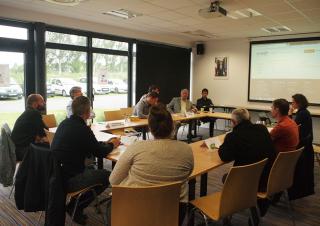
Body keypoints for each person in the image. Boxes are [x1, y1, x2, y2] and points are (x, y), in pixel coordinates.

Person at [109, 104, 194, 225]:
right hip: (173, 212)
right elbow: (189, 173)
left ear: (149, 128)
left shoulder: (136, 147)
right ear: (172, 126)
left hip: (136, 212)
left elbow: (113, 181)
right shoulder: (186, 149)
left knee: (111, 207)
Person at [51, 96, 120, 225]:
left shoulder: (64, 123)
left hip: (56, 175)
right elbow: (99, 152)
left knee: (93, 170)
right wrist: (113, 145)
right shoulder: (82, 129)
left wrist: (103, 144)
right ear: (88, 112)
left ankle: (75, 205)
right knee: (108, 176)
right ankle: (74, 207)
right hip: (70, 179)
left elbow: (88, 145)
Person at [218, 108, 276, 225]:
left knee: (226, 178)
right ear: (249, 118)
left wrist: (227, 139)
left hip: (246, 183)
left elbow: (224, 156)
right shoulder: (262, 129)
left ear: (234, 123)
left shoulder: (234, 136)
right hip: (267, 178)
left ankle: (236, 205)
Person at [287, 94, 314, 200]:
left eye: (293, 102)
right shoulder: (304, 112)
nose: (292, 104)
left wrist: (289, 114)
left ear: (298, 103)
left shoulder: (302, 113)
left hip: (302, 145)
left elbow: (292, 127)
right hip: (306, 145)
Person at [11, 94, 48, 161]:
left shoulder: (28, 112)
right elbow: (43, 132)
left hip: (17, 149)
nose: (44, 103)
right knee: (50, 151)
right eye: (42, 101)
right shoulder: (34, 113)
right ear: (35, 103)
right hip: (23, 151)